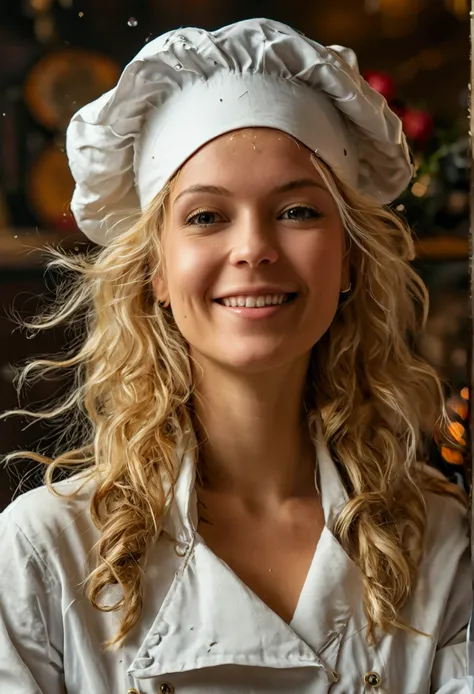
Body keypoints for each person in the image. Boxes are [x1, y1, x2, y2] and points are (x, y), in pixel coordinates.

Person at [0, 17, 470, 694]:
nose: (253, 249)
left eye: (299, 211)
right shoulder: (47, 550)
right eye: (206, 217)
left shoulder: (439, 544)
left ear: (348, 261)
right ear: (157, 272)